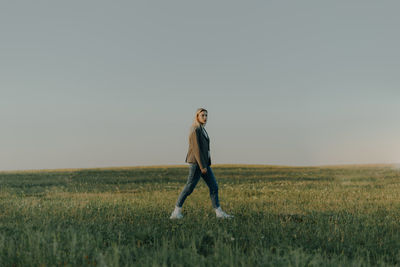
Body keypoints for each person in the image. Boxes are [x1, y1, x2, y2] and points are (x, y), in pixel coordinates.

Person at [170, 108, 233, 219]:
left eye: (206, 115)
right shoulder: (195, 129)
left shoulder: (202, 129)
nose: (205, 117)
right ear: (197, 117)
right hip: (197, 164)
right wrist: (202, 166)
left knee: (214, 186)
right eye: (202, 115)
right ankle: (176, 212)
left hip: (204, 164)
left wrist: (206, 164)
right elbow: (196, 149)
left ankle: (219, 213)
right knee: (189, 187)